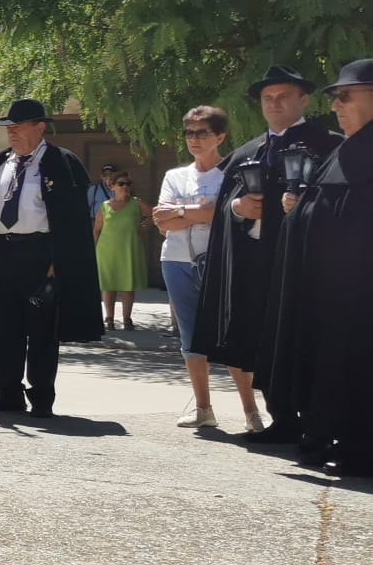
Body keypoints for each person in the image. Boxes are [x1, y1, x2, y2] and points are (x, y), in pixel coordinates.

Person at [189, 65, 341, 443]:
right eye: (267, 98)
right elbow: (225, 207)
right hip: (256, 266)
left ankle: (318, 423)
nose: (274, 104)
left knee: (303, 338)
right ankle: (282, 418)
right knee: (261, 339)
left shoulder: (329, 146)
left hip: (306, 266)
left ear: (303, 99)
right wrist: (238, 209)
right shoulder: (246, 153)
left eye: (283, 96)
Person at [264, 60, 373, 476]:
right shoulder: (350, 147)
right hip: (332, 290)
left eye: (346, 96)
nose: (338, 106)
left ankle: (359, 447)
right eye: (334, 98)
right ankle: (332, 435)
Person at [0, 99, 104, 419]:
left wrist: (58, 263)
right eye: (8, 127)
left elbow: (71, 221)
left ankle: (41, 397)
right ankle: (8, 393)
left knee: (42, 329)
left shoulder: (61, 162)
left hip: (41, 255)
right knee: (5, 327)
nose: (11, 132)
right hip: (2, 252)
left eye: (18, 126)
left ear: (39, 128)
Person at [153, 106, 256, 429]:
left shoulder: (232, 174)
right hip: (177, 261)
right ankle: (203, 408)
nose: (194, 139)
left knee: (231, 334)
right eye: (189, 133)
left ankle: (252, 412)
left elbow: (222, 214)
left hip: (221, 262)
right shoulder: (175, 176)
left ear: (220, 136)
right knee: (190, 337)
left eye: (202, 133)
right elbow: (161, 222)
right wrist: (200, 211)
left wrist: (182, 212)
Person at [93, 171, 151, 330]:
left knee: (127, 284)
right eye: (121, 184)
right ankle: (109, 318)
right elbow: (97, 229)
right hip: (107, 251)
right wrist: (93, 250)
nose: (125, 186)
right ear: (112, 187)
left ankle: (127, 319)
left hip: (129, 248)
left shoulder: (136, 203)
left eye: (127, 184)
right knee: (108, 285)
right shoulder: (105, 206)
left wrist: (143, 227)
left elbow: (153, 215)